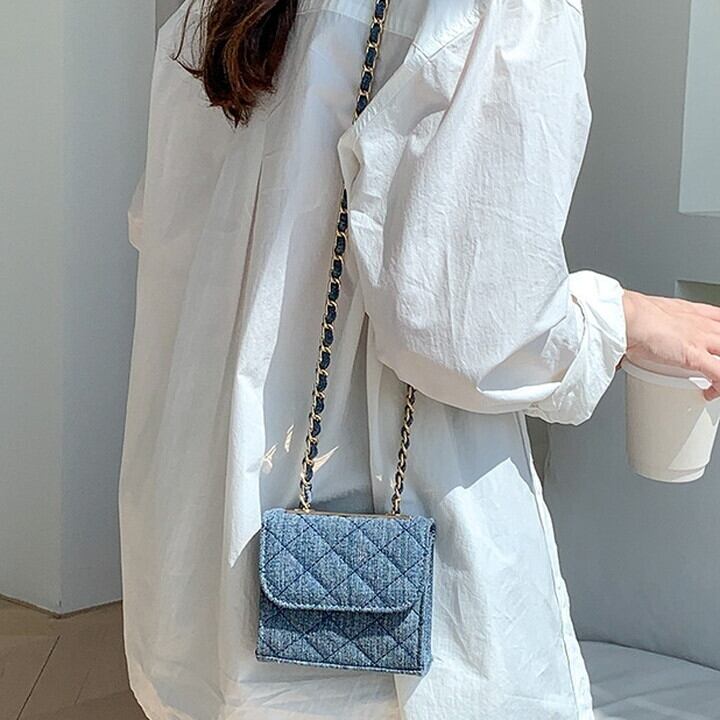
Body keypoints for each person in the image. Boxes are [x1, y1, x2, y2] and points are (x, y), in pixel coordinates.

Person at [118, 1, 720, 718]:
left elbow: (168, 230)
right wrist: (621, 320)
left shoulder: (206, 11)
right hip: (397, 589)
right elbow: (471, 326)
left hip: (196, 534)